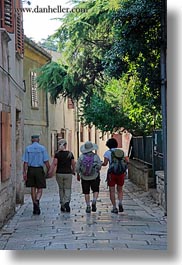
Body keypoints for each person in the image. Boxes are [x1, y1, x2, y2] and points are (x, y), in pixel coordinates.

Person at [22, 135, 50, 215]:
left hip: (31, 170)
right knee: (40, 188)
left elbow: (25, 162)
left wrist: (24, 172)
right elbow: (46, 161)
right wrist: (49, 170)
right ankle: (37, 200)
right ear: (38, 140)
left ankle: (34, 204)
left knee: (33, 187)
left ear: (31, 140)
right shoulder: (42, 148)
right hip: (39, 170)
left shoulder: (28, 148)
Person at [48, 139, 75, 213]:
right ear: (66, 145)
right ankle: (66, 201)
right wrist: (74, 170)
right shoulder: (70, 154)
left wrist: (50, 171)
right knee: (67, 188)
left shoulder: (57, 154)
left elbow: (55, 163)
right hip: (68, 173)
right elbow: (73, 164)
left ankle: (62, 204)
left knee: (61, 188)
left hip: (59, 173)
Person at [102, 138, 129, 214]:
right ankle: (120, 202)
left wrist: (100, 164)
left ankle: (114, 207)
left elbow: (105, 164)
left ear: (108, 145)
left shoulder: (107, 153)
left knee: (112, 191)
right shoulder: (122, 151)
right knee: (120, 189)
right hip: (121, 173)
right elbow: (127, 161)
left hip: (112, 174)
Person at [76, 141, 102, 213]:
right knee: (95, 190)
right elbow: (99, 166)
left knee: (86, 192)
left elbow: (77, 167)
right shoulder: (96, 156)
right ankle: (94, 201)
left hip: (84, 177)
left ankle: (88, 206)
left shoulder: (81, 157)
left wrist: (78, 174)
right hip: (95, 176)